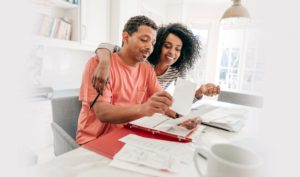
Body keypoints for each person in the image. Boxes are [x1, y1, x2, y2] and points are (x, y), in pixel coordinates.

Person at [76, 16, 198, 145]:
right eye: (144, 40)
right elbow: (102, 113)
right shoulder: (98, 65)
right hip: (95, 141)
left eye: (152, 43)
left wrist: (180, 118)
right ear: (126, 37)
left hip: (128, 136)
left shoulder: (146, 69)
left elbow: (162, 103)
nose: (149, 47)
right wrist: (144, 108)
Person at [93, 23, 220, 117]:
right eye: (167, 46)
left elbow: (180, 106)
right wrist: (104, 63)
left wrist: (199, 92)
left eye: (178, 49)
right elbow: (107, 47)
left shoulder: (177, 70)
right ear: (158, 45)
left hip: (147, 116)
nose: (172, 52)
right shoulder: (142, 59)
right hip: (126, 114)